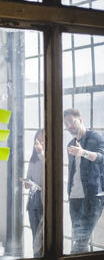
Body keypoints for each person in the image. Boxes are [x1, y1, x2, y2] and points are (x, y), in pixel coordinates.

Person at [64, 108, 104, 253]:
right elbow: (73, 172)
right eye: (66, 124)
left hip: (92, 198)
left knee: (80, 243)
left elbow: (101, 158)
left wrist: (83, 153)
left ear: (80, 120)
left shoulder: (95, 138)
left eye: (71, 121)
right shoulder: (70, 144)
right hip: (74, 198)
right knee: (81, 242)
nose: (68, 126)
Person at [24, 129, 44, 257]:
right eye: (37, 140)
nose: (39, 143)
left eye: (42, 140)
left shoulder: (47, 158)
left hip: (43, 200)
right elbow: (28, 178)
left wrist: (41, 153)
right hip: (33, 201)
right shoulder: (33, 159)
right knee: (34, 236)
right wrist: (27, 183)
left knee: (42, 237)